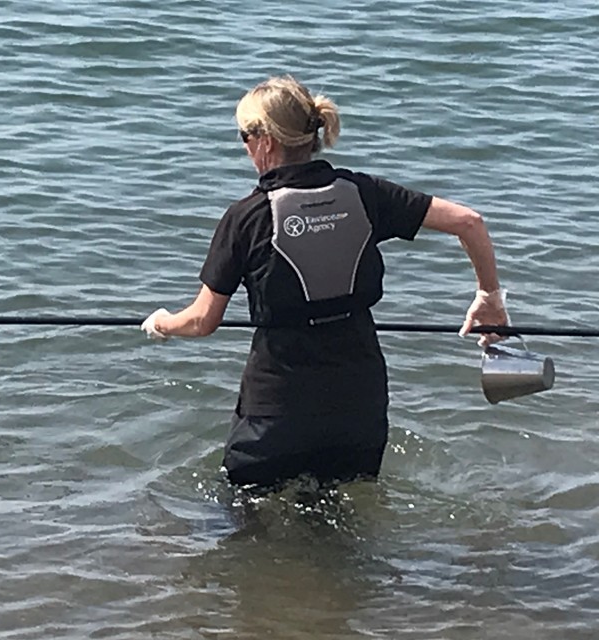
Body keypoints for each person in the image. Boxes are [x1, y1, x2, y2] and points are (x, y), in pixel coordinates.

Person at [141, 75, 509, 490]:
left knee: (246, 523)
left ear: (266, 141)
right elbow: (469, 222)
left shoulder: (246, 216)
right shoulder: (364, 193)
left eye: (244, 136)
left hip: (277, 410)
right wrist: (489, 299)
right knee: (345, 522)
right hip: (359, 402)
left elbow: (202, 320)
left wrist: (161, 324)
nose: (243, 147)